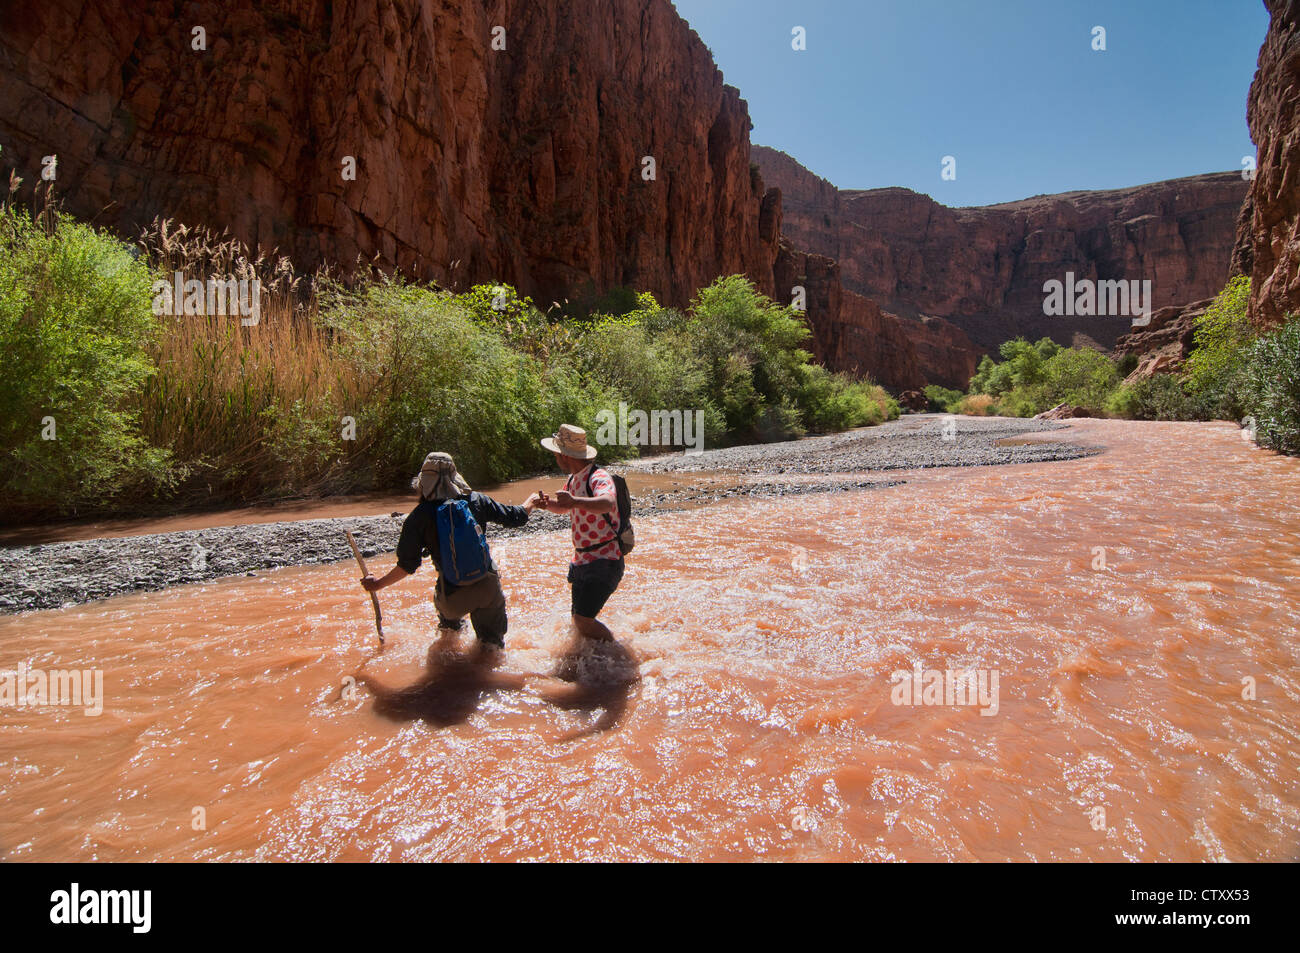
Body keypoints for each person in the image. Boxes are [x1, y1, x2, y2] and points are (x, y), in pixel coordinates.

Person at [361, 452, 544, 653]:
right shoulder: (476, 500)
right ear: (455, 476)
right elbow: (515, 517)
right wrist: (531, 501)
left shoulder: (419, 517)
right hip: (487, 589)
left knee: (449, 640)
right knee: (492, 650)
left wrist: (377, 584)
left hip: (451, 596)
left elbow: (406, 566)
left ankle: (451, 647)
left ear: (423, 482)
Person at [536, 424, 624, 641]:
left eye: (556, 454)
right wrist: (546, 504)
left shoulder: (597, 476)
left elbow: (607, 502)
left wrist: (575, 500)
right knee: (578, 619)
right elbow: (565, 507)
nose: (555, 459)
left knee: (583, 621)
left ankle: (614, 653)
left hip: (605, 560)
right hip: (583, 560)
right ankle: (595, 660)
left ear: (563, 455)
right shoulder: (574, 478)